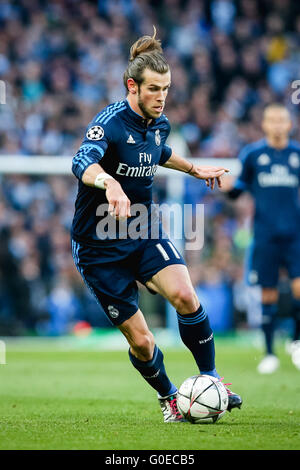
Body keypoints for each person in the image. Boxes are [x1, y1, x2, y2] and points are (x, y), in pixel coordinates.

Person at [71, 28, 242, 422]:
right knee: (143, 342)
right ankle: (170, 398)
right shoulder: (109, 123)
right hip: (99, 247)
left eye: (166, 88)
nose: (161, 96)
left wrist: (193, 167)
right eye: (153, 89)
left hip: (142, 229)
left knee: (185, 295)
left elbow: (159, 152)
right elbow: (82, 161)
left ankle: (211, 381)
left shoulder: (160, 123)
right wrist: (110, 181)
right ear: (132, 86)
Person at [221, 103, 300, 373]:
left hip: (295, 233)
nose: (277, 125)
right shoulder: (253, 154)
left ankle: (297, 341)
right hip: (265, 233)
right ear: (264, 125)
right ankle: (269, 353)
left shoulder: (297, 154)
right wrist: (228, 189)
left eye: (282, 120)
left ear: (289, 124)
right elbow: (239, 188)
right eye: (272, 120)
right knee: (268, 292)